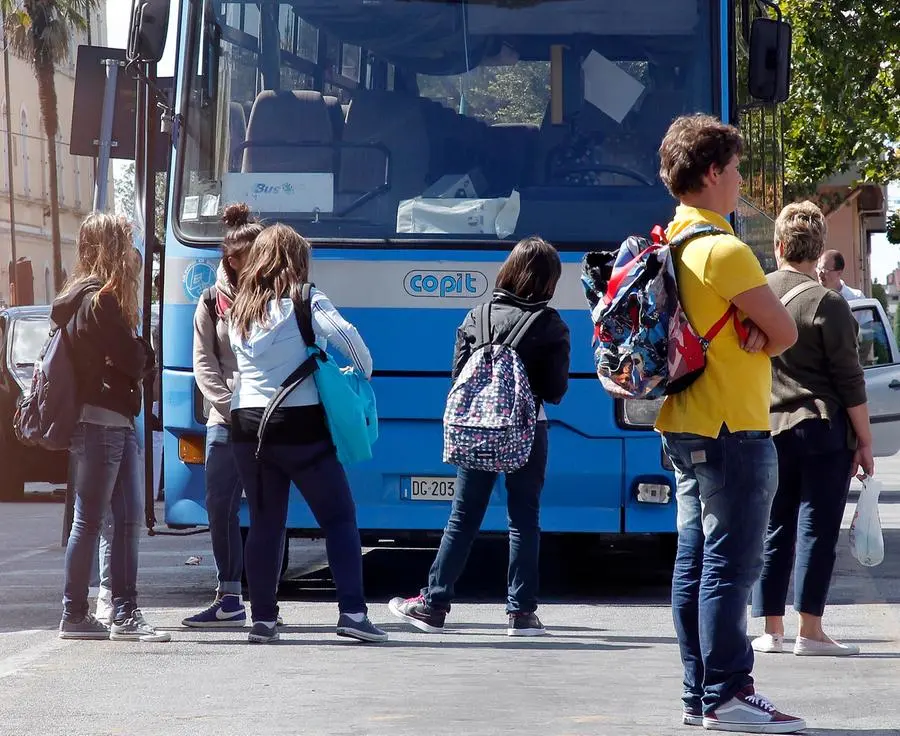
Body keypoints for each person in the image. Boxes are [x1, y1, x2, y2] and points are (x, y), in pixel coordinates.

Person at [654, 114, 803, 733]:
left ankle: (698, 694)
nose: (741, 180)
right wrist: (757, 335)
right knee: (732, 567)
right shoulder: (725, 249)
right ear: (712, 173)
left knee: (693, 562)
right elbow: (785, 332)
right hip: (732, 427)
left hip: (681, 421)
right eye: (737, 169)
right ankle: (728, 693)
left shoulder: (667, 243)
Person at [388, 236, 570, 637]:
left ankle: (434, 605)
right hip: (527, 429)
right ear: (547, 281)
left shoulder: (477, 316)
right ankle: (521, 614)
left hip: (478, 431)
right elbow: (555, 391)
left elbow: (458, 378)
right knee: (524, 520)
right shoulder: (550, 324)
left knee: (463, 518)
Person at [228, 223, 386, 644]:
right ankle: (352, 612)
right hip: (299, 424)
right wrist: (362, 370)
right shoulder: (307, 299)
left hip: (245, 423)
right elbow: (348, 341)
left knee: (265, 522)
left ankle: (262, 620)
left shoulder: (239, 307)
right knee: (338, 517)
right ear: (297, 261)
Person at [751, 202, 873, 657]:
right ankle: (812, 631)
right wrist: (864, 439)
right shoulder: (829, 303)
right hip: (822, 429)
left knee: (774, 526)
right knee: (816, 529)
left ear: (778, 245)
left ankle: (771, 629)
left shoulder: (755, 293)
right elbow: (850, 378)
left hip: (766, 427)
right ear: (818, 249)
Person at [57, 213, 169, 642]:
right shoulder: (100, 300)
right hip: (105, 421)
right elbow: (136, 358)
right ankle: (85, 613)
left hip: (104, 420)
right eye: (122, 242)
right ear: (109, 248)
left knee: (120, 520)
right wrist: (141, 355)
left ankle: (115, 612)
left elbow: (126, 357)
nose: (128, 252)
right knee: (99, 521)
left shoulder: (78, 298)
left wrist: (132, 356)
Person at [182, 203, 264, 628]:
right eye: (254, 253)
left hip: (269, 420)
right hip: (227, 421)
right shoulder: (212, 301)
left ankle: (266, 605)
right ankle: (229, 595)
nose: (263, 259)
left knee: (269, 510)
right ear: (233, 259)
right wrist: (231, 408)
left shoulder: (275, 296)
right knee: (219, 506)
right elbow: (203, 363)